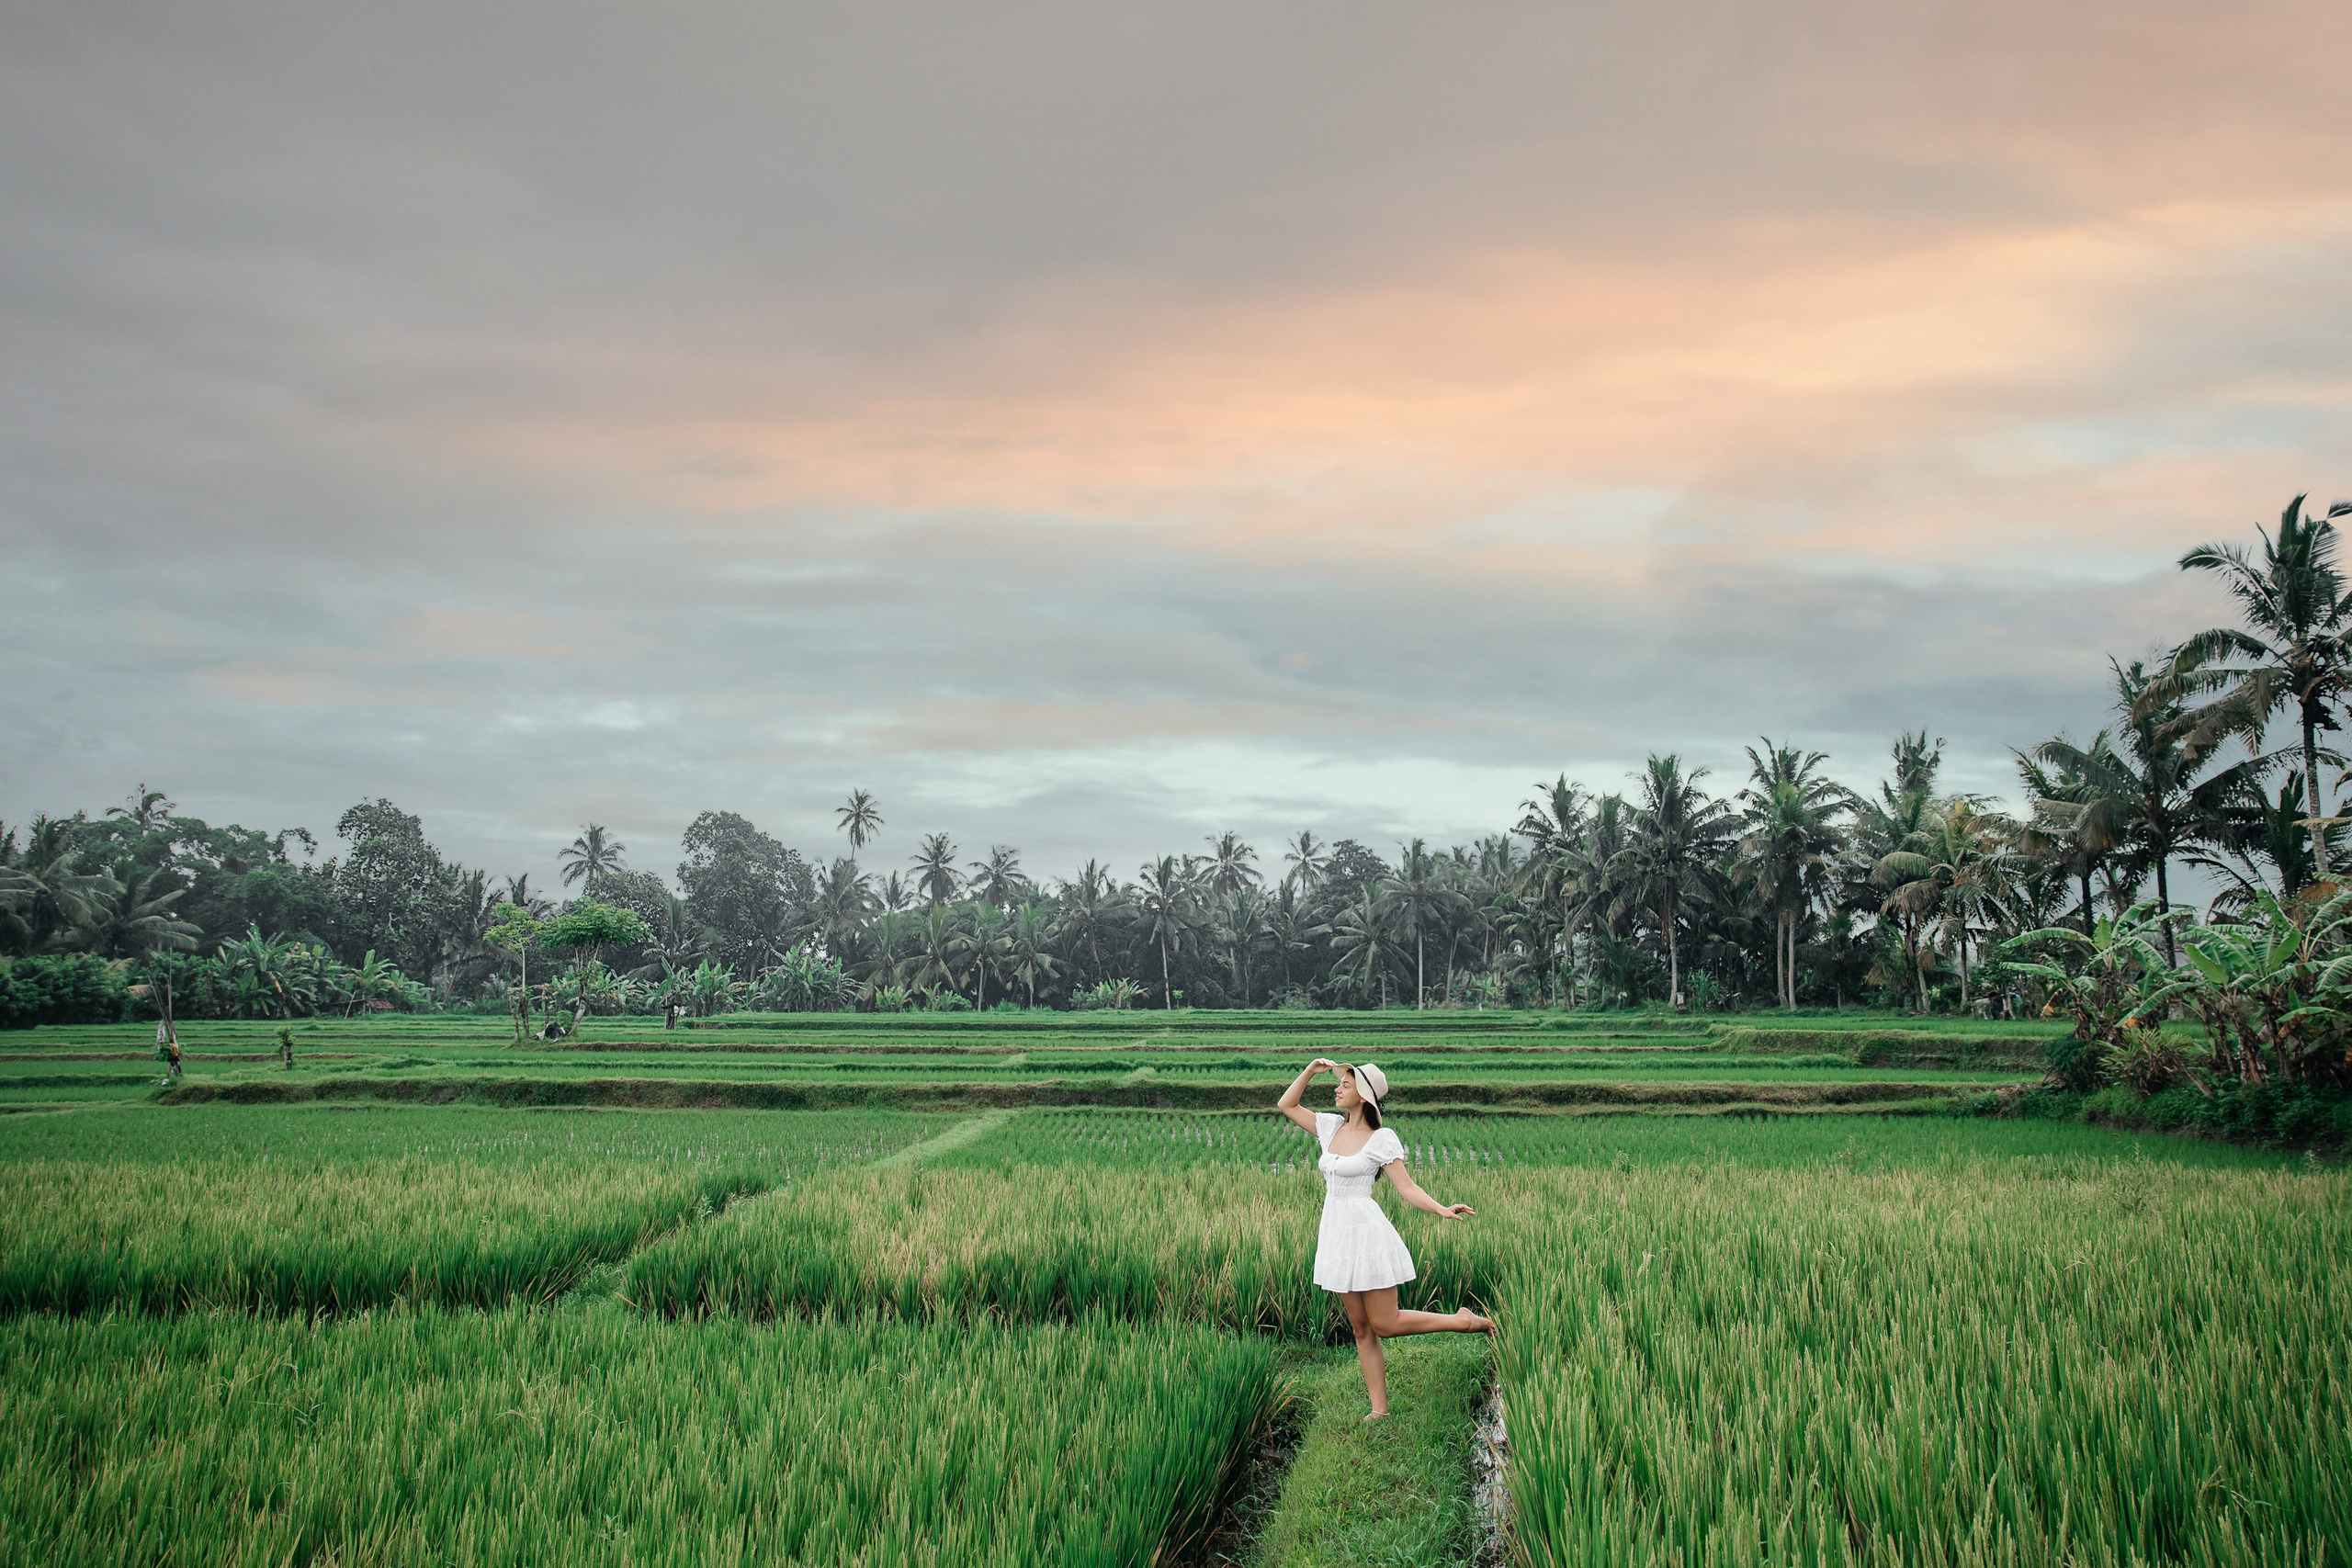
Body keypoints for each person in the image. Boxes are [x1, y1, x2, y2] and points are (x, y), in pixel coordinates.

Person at [1276, 1057, 1494, 1420]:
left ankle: (1464, 1321)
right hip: (1335, 1233)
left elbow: (1406, 1187)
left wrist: (1441, 1209)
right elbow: (1287, 1105)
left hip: (1366, 1234)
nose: (1337, 1088)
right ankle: (1380, 1409)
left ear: (1363, 1096)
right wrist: (1309, 1072)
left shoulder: (1381, 1139)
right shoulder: (1330, 1128)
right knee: (1361, 1328)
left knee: (1385, 1324)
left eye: (1345, 1084)